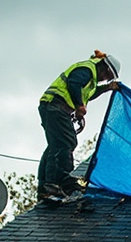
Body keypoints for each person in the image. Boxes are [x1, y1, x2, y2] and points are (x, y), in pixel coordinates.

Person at [37, 50, 121, 199]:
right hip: (55, 106)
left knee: (55, 145)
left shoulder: (90, 77)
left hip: (52, 107)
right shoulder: (87, 69)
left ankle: (46, 186)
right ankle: (62, 181)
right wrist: (79, 106)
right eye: (107, 77)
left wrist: (107, 88)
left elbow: (89, 93)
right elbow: (74, 83)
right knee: (66, 142)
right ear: (106, 68)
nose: (105, 80)